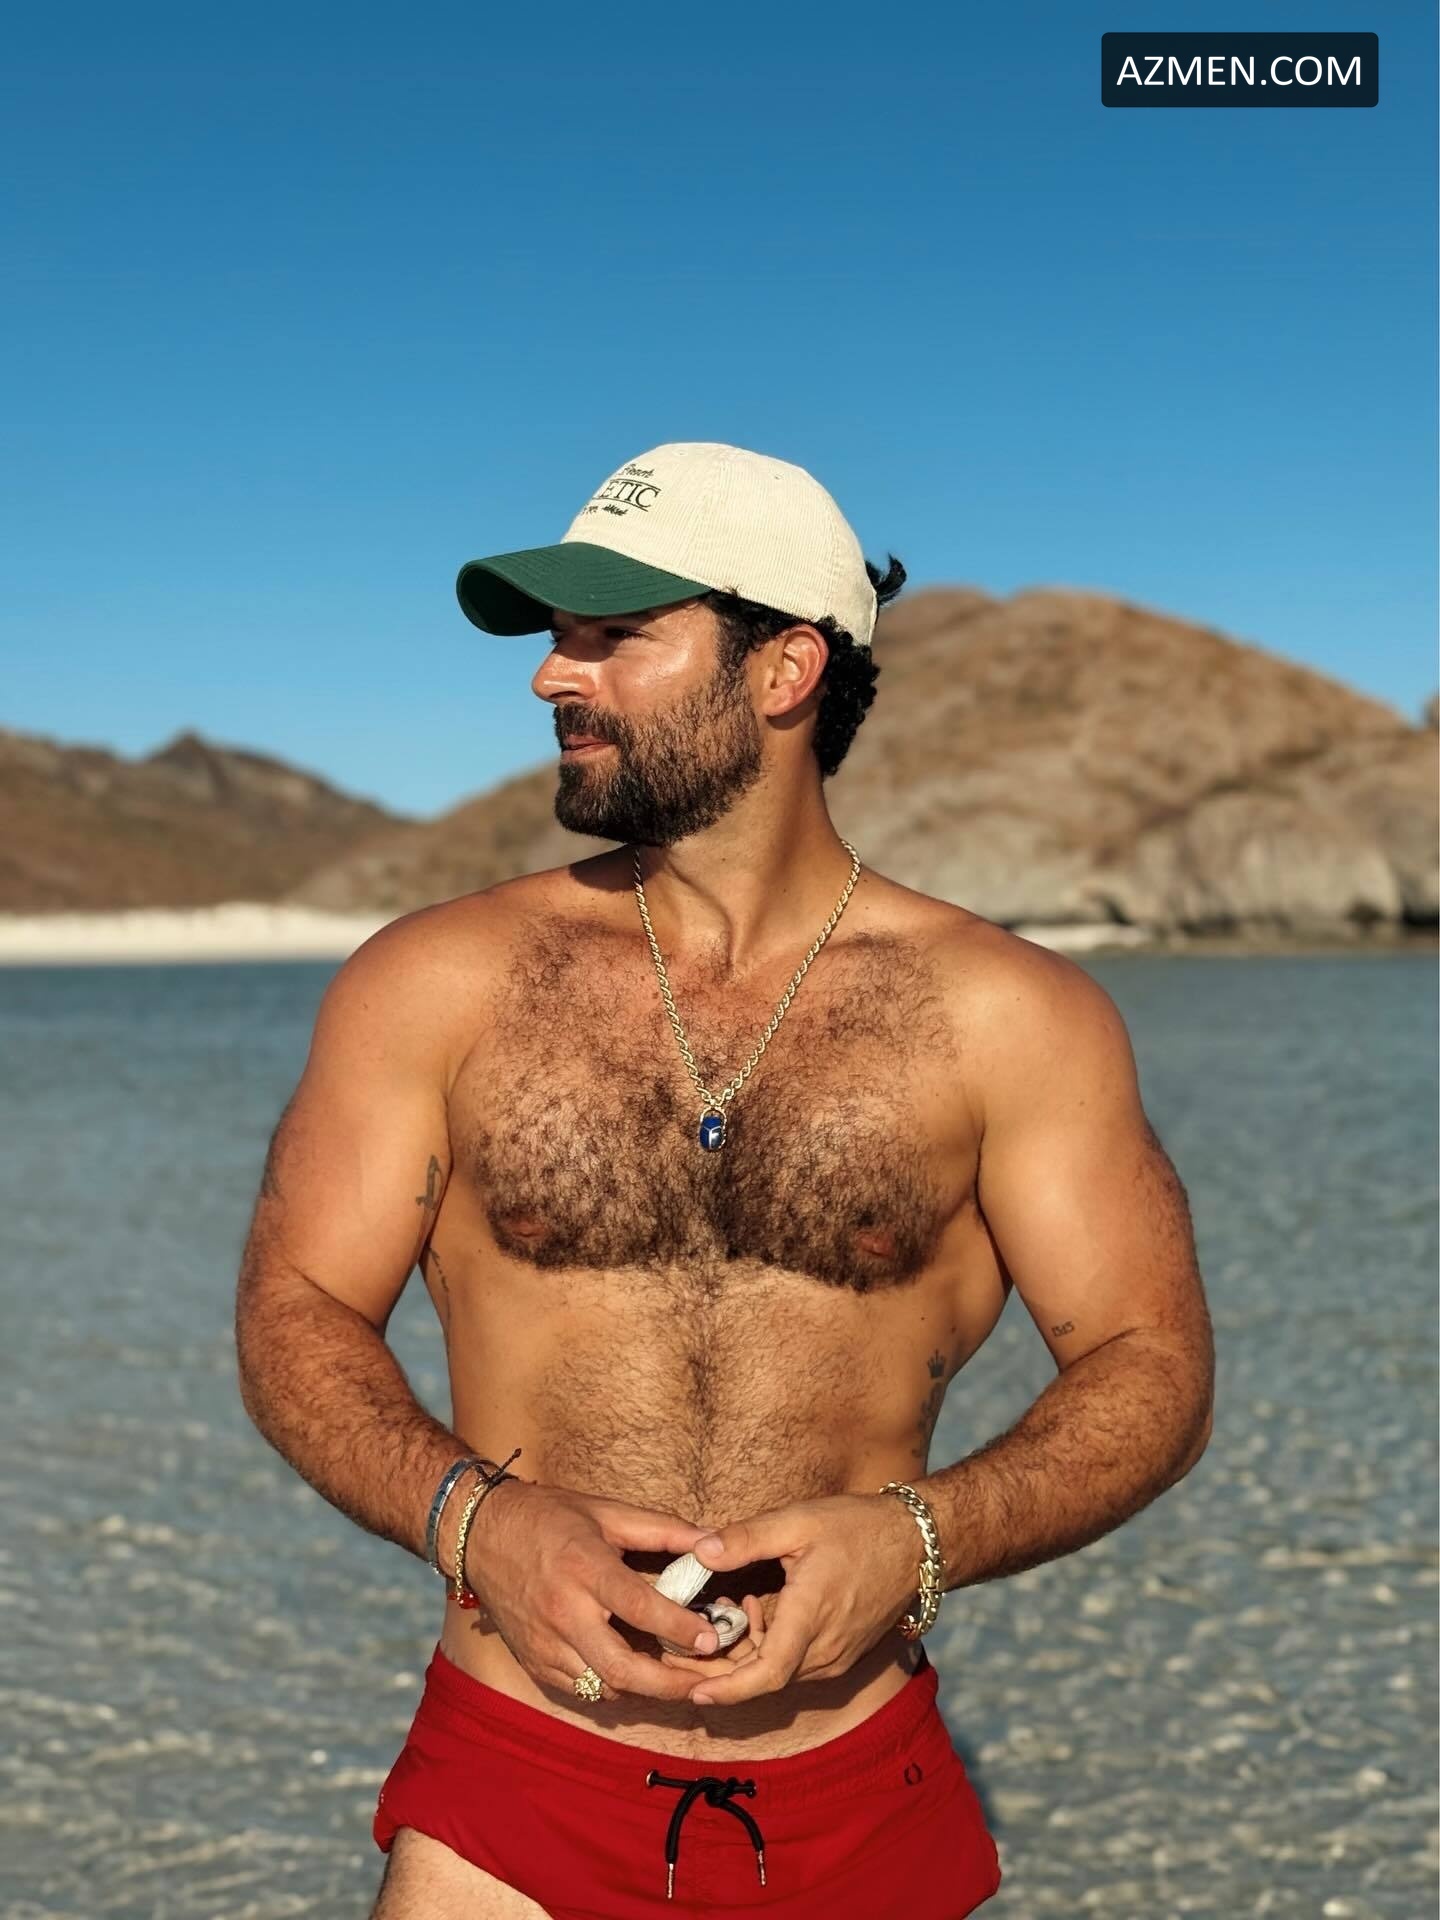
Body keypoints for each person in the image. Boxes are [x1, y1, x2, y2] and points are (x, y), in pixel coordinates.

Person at [234, 440, 1215, 1919]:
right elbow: (296, 1306)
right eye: (556, 638)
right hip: (516, 1783)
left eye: (614, 635)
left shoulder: (1012, 1018)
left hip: (858, 1799)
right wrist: (475, 1520)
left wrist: (920, 1539)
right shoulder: (434, 984)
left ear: (784, 670)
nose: (552, 677)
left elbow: (1152, 1363)